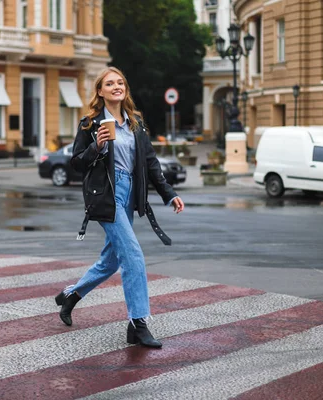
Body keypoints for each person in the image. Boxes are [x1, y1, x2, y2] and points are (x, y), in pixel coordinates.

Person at [54, 67, 185, 348]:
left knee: (111, 260)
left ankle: (70, 296)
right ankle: (138, 323)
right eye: (110, 83)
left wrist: (168, 193)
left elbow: (150, 163)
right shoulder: (90, 124)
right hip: (106, 195)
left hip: (130, 194)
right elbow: (76, 163)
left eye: (120, 82)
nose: (117, 86)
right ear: (100, 91)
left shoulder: (135, 123)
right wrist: (97, 147)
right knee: (134, 256)